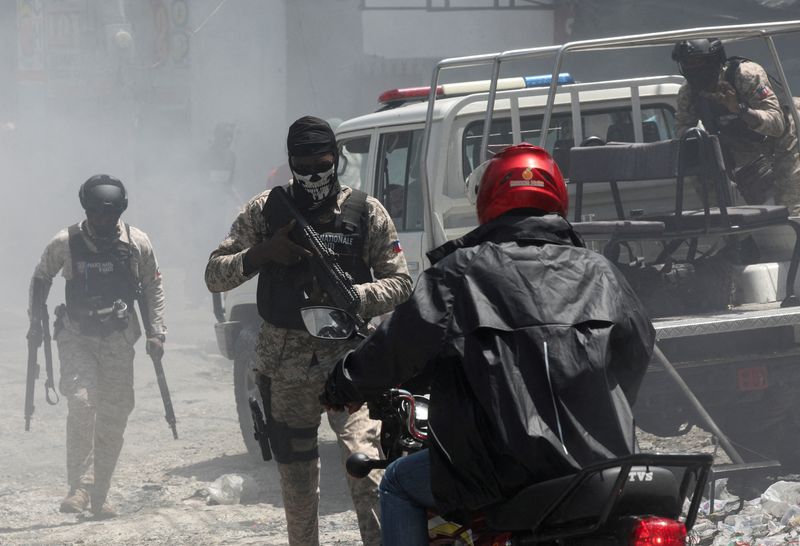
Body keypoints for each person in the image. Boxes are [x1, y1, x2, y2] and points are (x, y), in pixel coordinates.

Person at [320, 143, 655, 546]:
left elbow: (396, 347)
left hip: (502, 470)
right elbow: (636, 354)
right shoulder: (600, 271)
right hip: (604, 465)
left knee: (396, 482)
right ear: (557, 197)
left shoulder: (461, 271)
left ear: (488, 197)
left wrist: (345, 382)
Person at [205, 116, 412, 546]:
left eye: (322, 165)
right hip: (286, 367)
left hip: (351, 363)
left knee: (367, 468)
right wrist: (261, 253)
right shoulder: (265, 211)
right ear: (291, 163)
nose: (314, 175)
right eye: (304, 166)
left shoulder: (365, 211)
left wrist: (357, 296)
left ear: (336, 160)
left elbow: (400, 282)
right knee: (298, 488)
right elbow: (214, 274)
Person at [27, 174, 166, 518]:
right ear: (86, 209)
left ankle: (99, 492)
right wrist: (35, 324)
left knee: (115, 414)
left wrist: (156, 332)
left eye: (109, 214)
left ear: (120, 211)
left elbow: (152, 287)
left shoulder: (137, 242)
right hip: (76, 335)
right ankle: (79, 487)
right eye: (96, 214)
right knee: (81, 402)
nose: (102, 221)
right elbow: (41, 277)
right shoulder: (66, 241)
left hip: (118, 339)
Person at [672, 38, 800, 214]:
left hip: (787, 137)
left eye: (696, 62)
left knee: (791, 203)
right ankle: (735, 237)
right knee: (762, 208)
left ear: (713, 60)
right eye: (686, 63)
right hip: (748, 147)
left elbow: (777, 124)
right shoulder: (689, 92)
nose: (692, 69)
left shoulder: (745, 75)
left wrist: (740, 109)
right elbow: (682, 132)